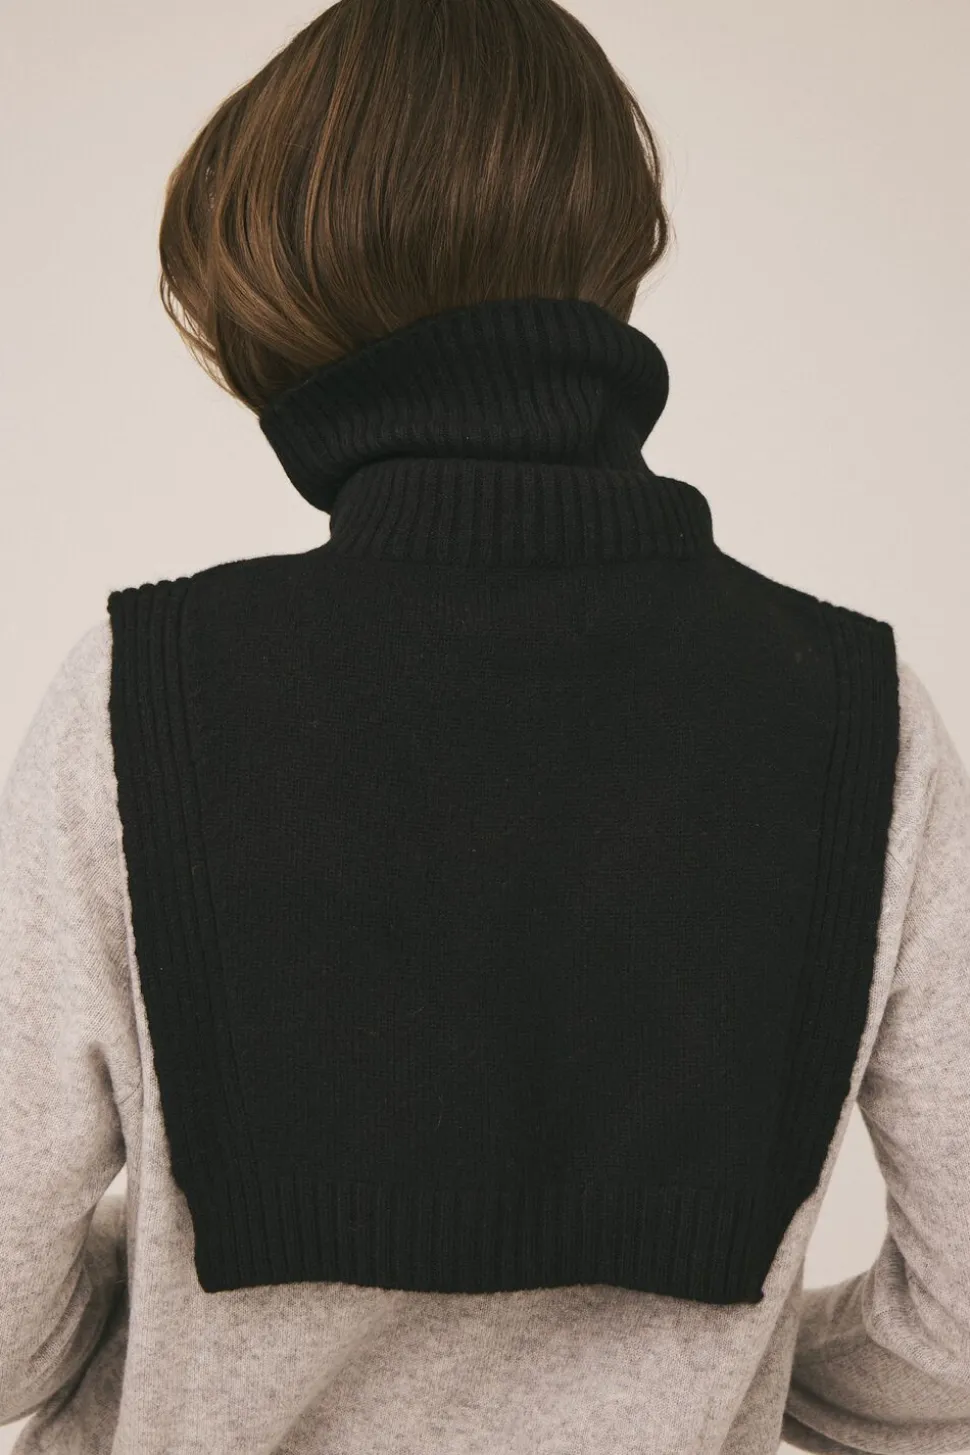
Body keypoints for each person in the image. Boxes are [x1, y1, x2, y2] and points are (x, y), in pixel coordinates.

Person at [1, 1, 969, 1451]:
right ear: (609, 245)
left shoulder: (144, 695)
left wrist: (139, 1327)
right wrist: (747, 1379)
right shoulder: (858, 714)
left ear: (285, 284)